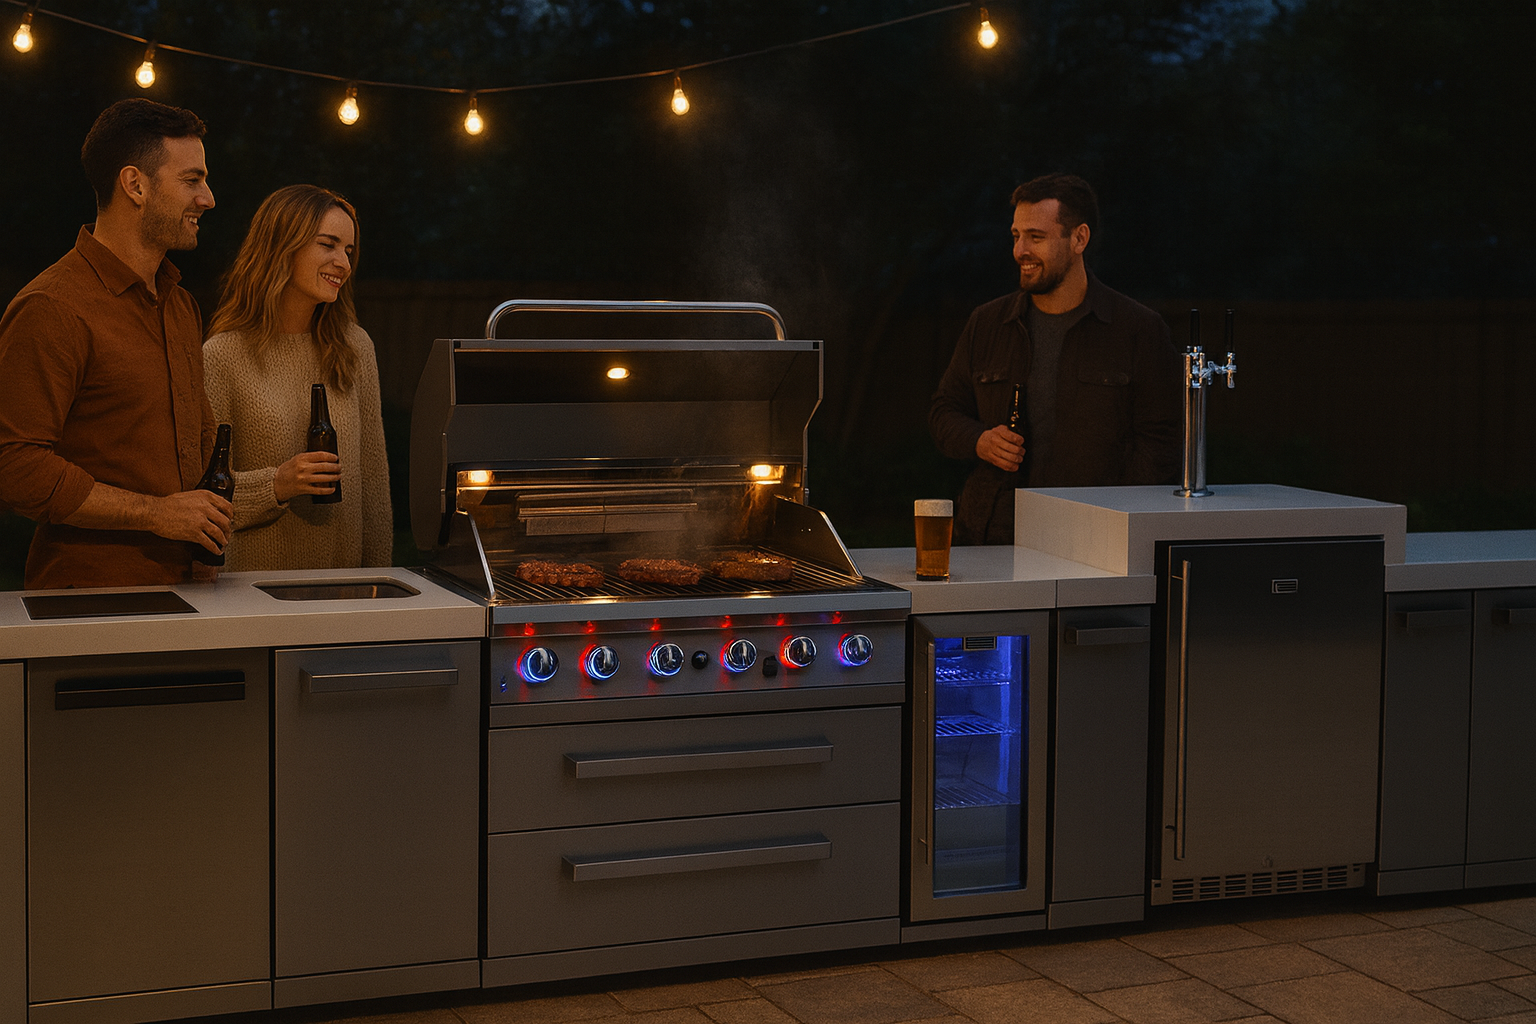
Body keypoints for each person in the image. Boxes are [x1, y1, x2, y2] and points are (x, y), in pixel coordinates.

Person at [0, 99, 228, 589]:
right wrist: (155, 515)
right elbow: (14, 465)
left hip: (197, 593)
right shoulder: (52, 306)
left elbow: (199, 452)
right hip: (93, 605)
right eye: (192, 180)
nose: (208, 198)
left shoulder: (180, 305)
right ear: (135, 185)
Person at [929, 173, 1182, 544]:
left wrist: (1112, 517)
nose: (1020, 251)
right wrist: (979, 439)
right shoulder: (987, 324)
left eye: (1036, 237)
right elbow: (943, 412)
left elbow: (1163, 443)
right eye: (1016, 236)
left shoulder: (1138, 330)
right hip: (993, 536)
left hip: (1096, 540)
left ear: (1079, 238)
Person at [202, 185, 392, 571]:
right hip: (252, 599)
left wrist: (380, 588)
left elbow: (373, 486)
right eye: (328, 245)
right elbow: (202, 498)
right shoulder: (222, 356)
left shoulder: (354, 348)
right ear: (281, 246)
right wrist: (277, 485)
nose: (343, 262)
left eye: (349, 251)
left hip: (344, 594)